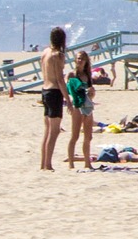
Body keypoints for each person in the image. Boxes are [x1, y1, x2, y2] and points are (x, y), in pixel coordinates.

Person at [39, 27, 67, 172]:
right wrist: (68, 98)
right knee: (54, 131)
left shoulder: (45, 52)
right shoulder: (57, 55)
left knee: (47, 130)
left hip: (45, 90)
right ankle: (48, 164)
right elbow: (60, 79)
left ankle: (43, 163)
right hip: (54, 92)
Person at [65, 50, 96, 169]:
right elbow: (68, 91)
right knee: (75, 135)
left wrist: (91, 93)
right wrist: (69, 102)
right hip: (77, 106)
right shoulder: (71, 75)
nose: (80, 61)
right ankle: (71, 163)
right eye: (78, 58)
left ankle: (87, 163)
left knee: (88, 136)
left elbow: (90, 94)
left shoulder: (87, 76)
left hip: (87, 106)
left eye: (82, 59)